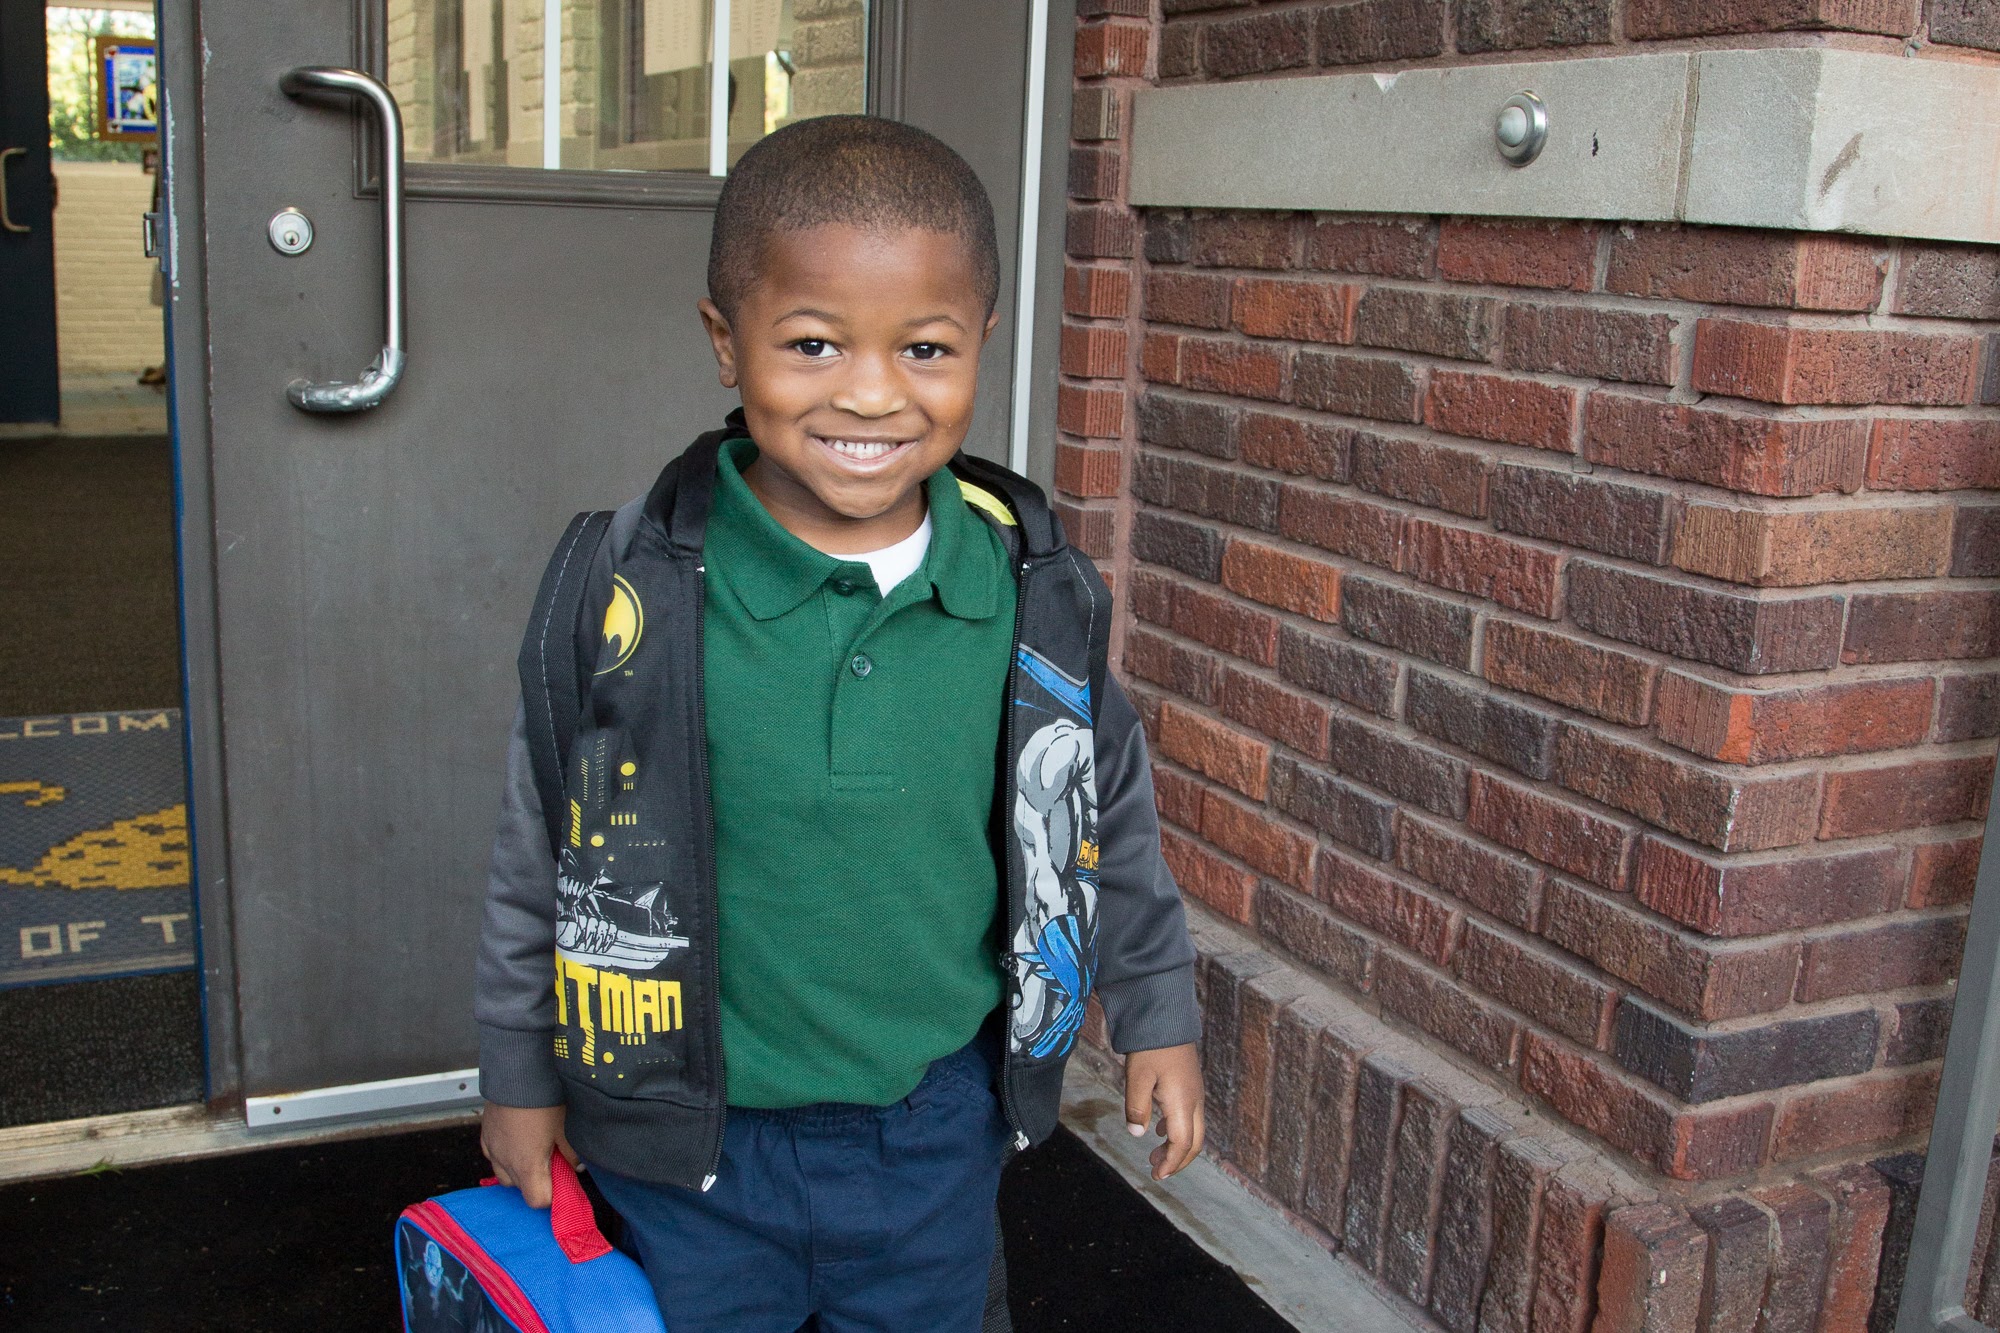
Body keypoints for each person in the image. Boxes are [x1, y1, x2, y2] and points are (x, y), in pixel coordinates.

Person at [473, 115, 1203, 1332]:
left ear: (979, 341)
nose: (870, 392)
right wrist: (518, 1074)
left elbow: (1103, 823)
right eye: (811, 343)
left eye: (923, 347)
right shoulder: (631, 602)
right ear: (725, 341)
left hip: (932, 1130)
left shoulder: (1031, 601)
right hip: (682, 1139)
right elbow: (540, 852)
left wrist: (1157, 1012)